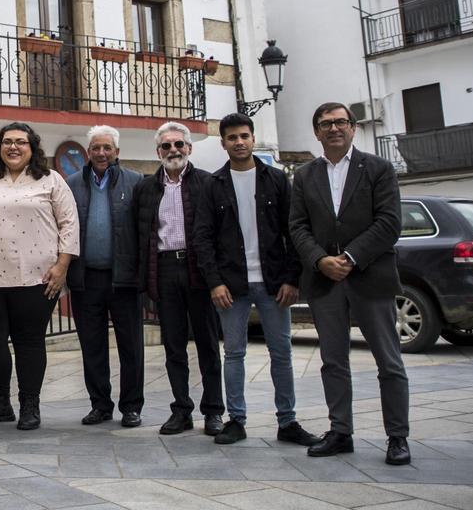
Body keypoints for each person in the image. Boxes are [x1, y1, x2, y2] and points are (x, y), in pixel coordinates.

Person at [289, 102, 410, 465]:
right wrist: (320, 260)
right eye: (326, 124)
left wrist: (351, 257)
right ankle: (340, 431)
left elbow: (390, 223)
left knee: (389, 361)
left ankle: (398, 437)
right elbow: (297, 226)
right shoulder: (305, 175)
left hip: (369, 276)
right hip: (325, 281)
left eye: (341, 122)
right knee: (332, 361)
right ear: (316, 132)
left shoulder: (378, 168)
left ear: (353, 128)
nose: (334, 128)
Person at [194, 113, 320, 447]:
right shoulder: (212, 184)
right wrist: (214, 282)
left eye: (244, 136)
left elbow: (293, 232)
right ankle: (236, 420)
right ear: (223, 143)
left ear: (252, 139)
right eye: (232, 137)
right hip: (231, 286)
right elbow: (202, 238)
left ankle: (288, 421)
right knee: (234, 354)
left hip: (274, 283)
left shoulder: (277, 180)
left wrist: (292, 279)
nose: (239, 142)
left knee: (282, 353)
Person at [0, 122, 78, 431]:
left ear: (32, 148)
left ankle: (30, 404)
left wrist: (62, 265)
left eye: (20, 142)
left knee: (29, 342)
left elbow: (69, 223)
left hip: (38, 278)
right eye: (7, 142)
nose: (13, 147)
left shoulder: (51, 180)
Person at [135, 121, 223, 436]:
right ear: (158, 151)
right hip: (164, 270)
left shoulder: (208, 183)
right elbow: (140, 235)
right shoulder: (145, 188)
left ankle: (213, 411)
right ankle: (181, 410)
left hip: (198, 270)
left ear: (189, 148)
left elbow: (219, 233)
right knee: (173, 346)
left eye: (178, 144)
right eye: (166, 146)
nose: (173, 150)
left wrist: (217, 278)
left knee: (208, 344)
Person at [65, 125, 145, 428]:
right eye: (96, 148)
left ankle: (131, 406)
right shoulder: (72, 184)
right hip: (86, 279)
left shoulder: (136, 182)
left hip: (123, 279)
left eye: (107, 148)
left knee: (131, 346)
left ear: (117, 152)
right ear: (88, 152)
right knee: (92, 345)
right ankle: (100, 404)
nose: (101, 153)